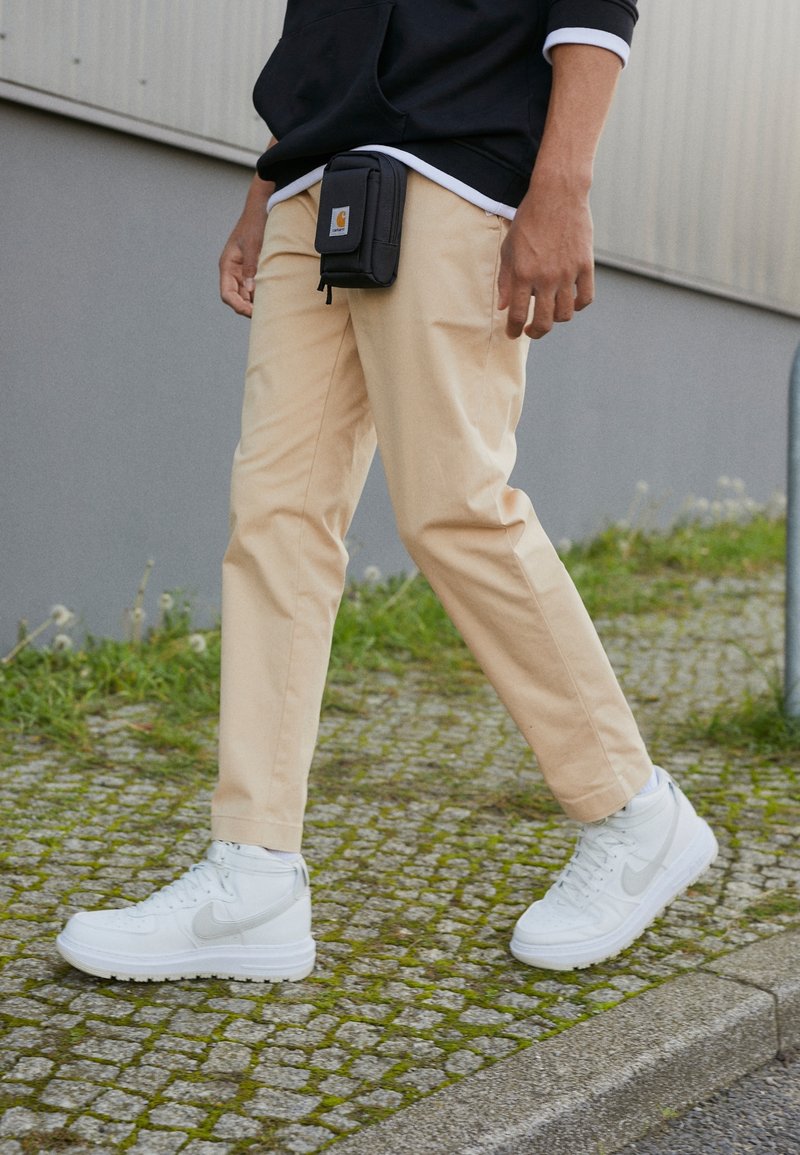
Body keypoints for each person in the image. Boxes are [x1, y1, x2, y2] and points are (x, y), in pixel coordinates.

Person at [57, 0, 718, 982]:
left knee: (454, 506)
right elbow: (320, 28)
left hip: (453, 168)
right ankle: (254, 875)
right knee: (275, 523)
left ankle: (634, 813)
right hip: (312, 186)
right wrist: (266, 185)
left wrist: (562, 182)